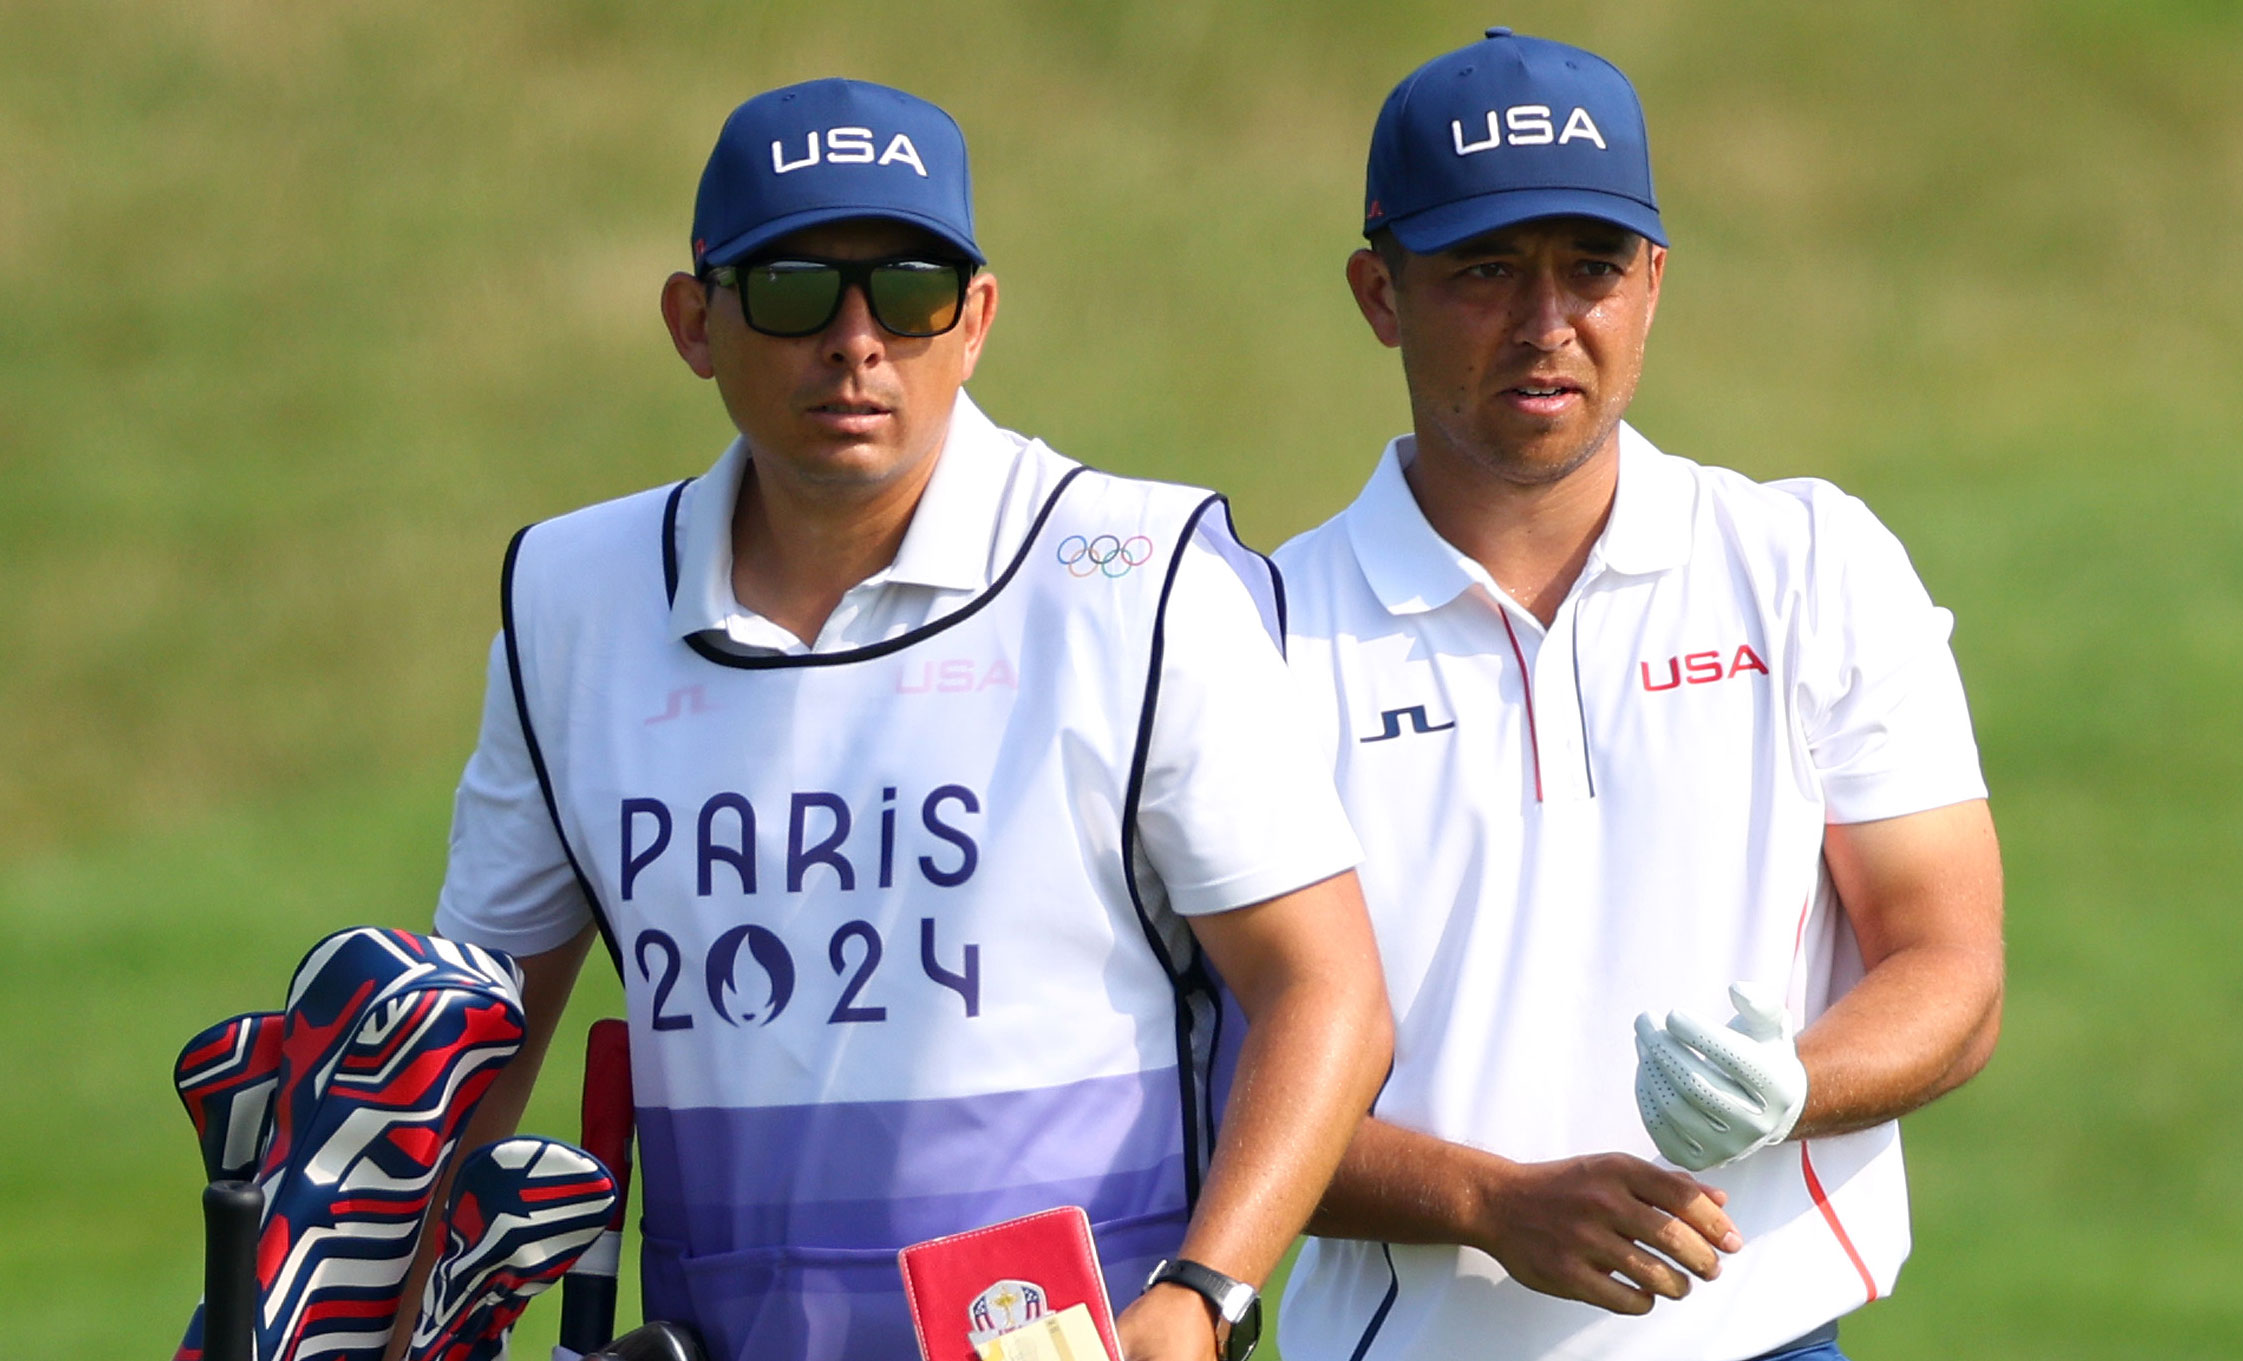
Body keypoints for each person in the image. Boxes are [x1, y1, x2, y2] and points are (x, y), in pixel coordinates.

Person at [416, 78, 1392, 1361]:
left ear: (975, 317)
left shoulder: (1138, 574)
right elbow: (465, 1035)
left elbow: (1325, 991)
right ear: (691, 321)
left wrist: (1203, 1294)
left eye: (912, 289)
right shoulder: (570, 599)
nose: (857, 339)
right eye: (793, 289)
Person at [1274, 29, 2005, 1361]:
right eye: (1484, 270)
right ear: (1380, 294)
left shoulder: (1807, 564)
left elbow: (1951, 964)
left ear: (1654, 282)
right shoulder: (1255, 636)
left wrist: (1794, 1085)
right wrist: (1483, 1203)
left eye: (1592, 267)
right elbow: (1211, 1100)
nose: (1547, 323)